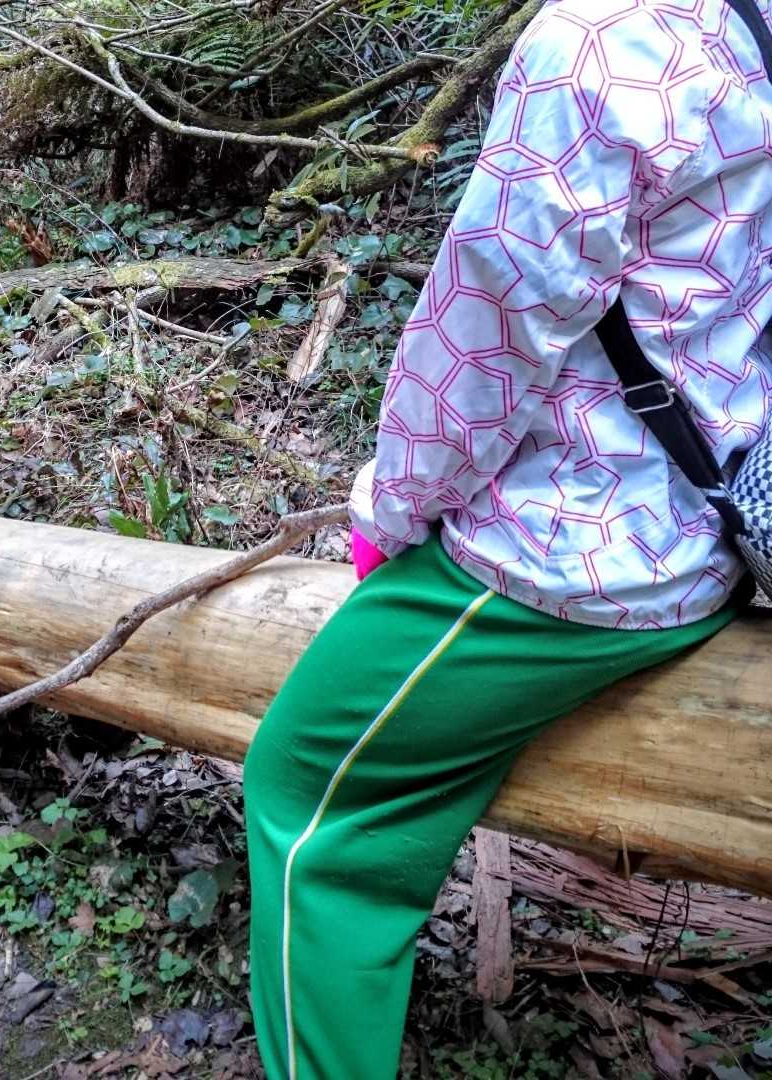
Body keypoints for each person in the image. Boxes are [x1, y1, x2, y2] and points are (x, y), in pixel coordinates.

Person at [242, 0, 772, 1076]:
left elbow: (488, 330)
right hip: (730, 521)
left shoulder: (604, 39)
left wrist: (389, 517)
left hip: (570, 559)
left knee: (305, 801)